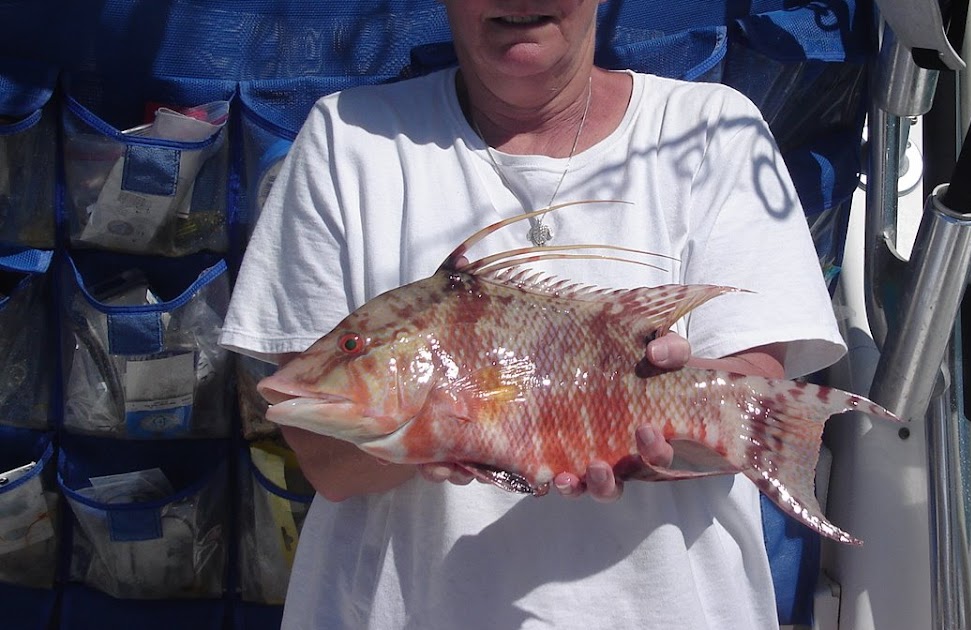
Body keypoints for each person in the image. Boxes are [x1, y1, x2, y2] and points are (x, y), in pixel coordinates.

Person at [220, 1, 846, 627]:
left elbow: (751, 400)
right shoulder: (346, 138)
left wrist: (656, 415)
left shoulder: (715, 130)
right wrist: (426, 433)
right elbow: (324, 462)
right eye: (356, 348)